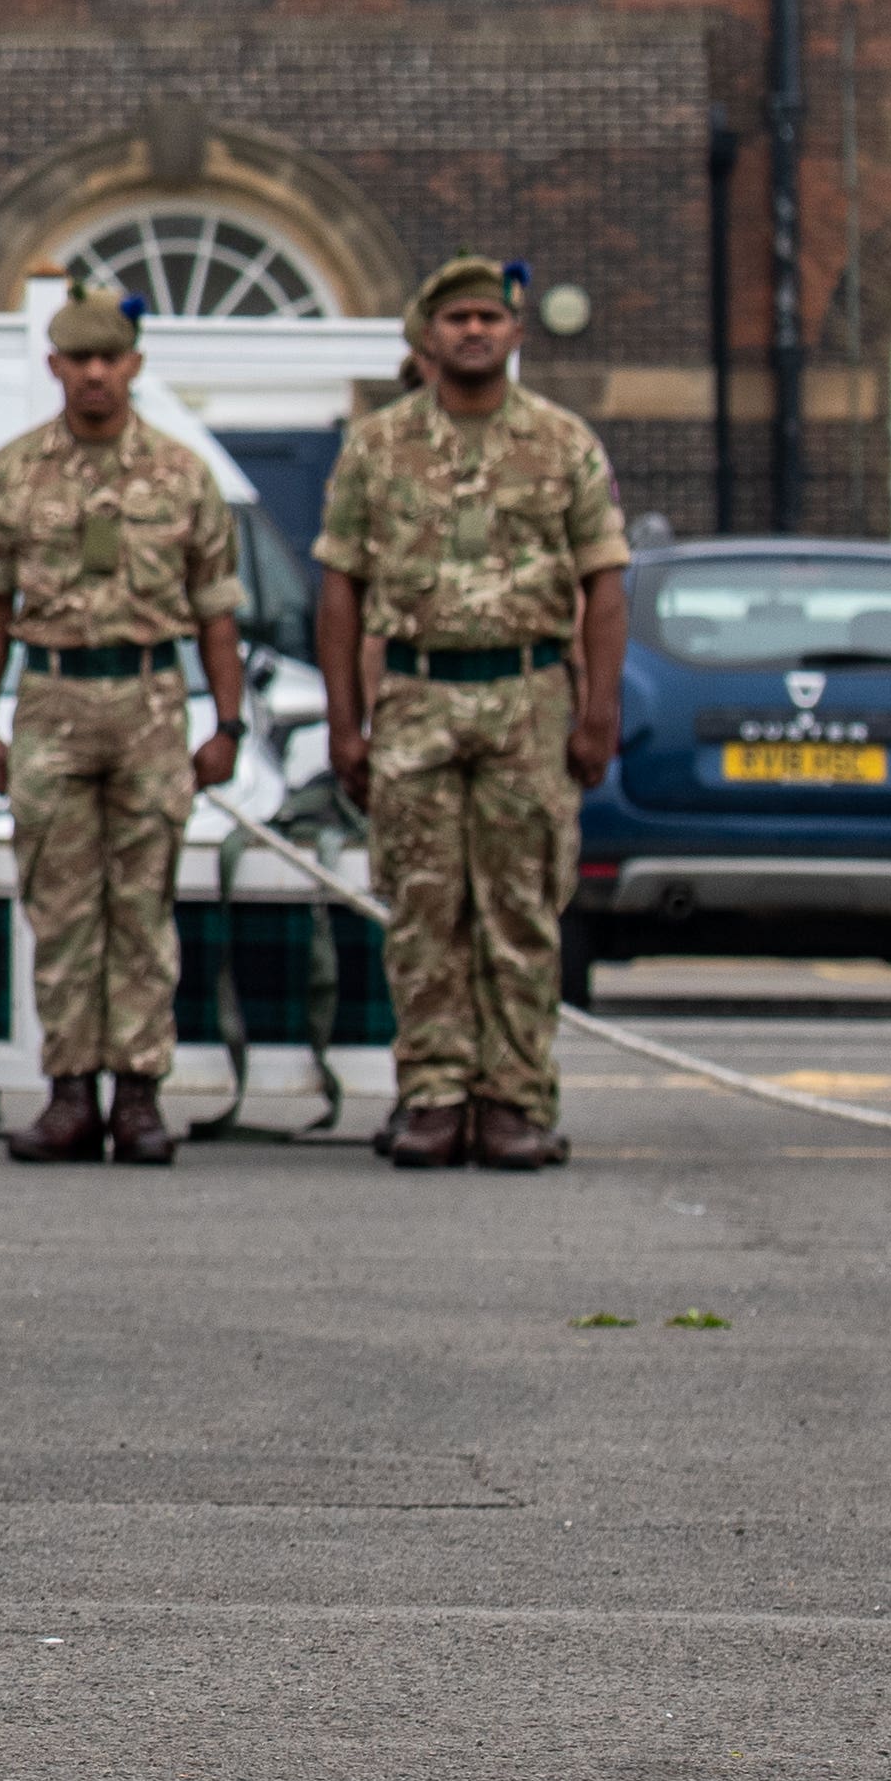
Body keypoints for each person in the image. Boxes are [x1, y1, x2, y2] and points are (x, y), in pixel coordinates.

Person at [314, 254, 628, 1175]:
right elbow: (341, 587)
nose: (476, 332)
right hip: (415, 696)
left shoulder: (563, 443)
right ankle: (434, 1095)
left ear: (517, 333)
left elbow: (604, 584)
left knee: (522, 908)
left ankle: (515, 1100)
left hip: (530, 698)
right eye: (458, 320)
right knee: (422, 907)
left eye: (491, 318)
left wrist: (598, 711)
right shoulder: (377, 446)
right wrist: (346, 721)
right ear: (427, 338)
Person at [0, 268, 252, 1167]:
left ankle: (137, 1093)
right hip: (50, 699)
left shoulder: (181, 474)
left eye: (110, 358)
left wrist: (229, 724)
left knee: (143, 907)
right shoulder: (13, 472)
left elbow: (216, 610)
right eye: (78, 359)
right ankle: (67, 1093)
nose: (94, 374)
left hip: (149, 700)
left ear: (135, 364)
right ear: (54, 365)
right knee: (59, 905)